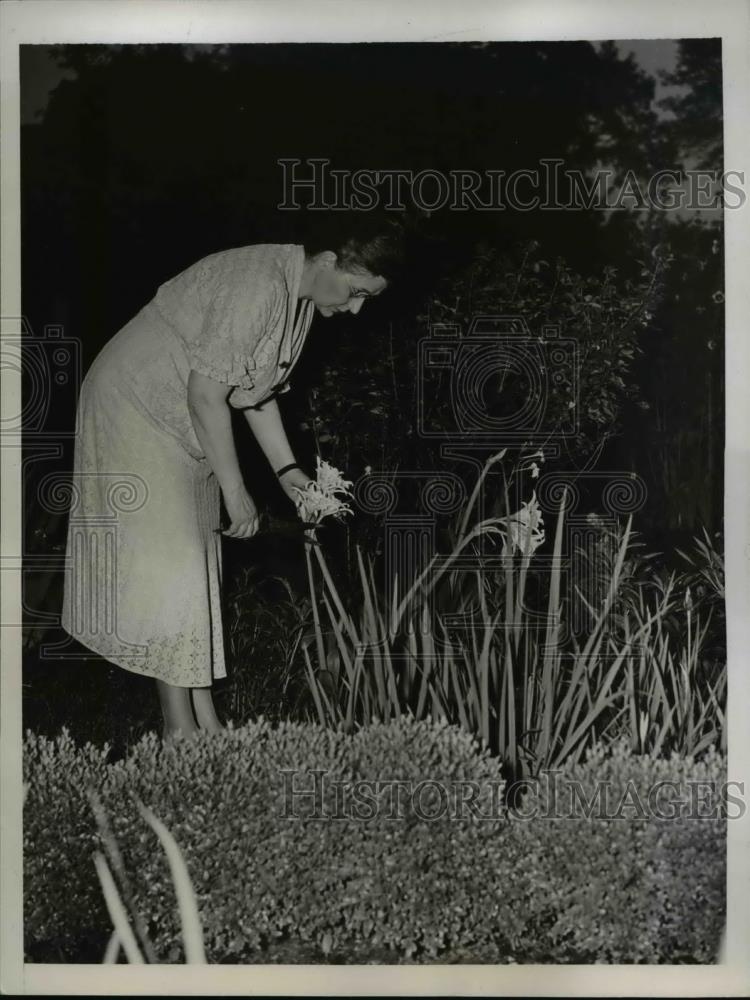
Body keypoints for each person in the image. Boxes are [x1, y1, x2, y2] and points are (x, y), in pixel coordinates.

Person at [60, 230, 400, 738]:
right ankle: (180, 734)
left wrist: (291, 476)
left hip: (186, 422)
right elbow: (205, 395)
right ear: (329, 260)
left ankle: (208, 725)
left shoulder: (299, 298)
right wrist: (235, 492)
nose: (355, 309)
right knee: (175, 568)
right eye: (357, 292)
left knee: (198, 564)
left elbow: (253, 395)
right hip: (137, 407)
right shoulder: (261, 285)